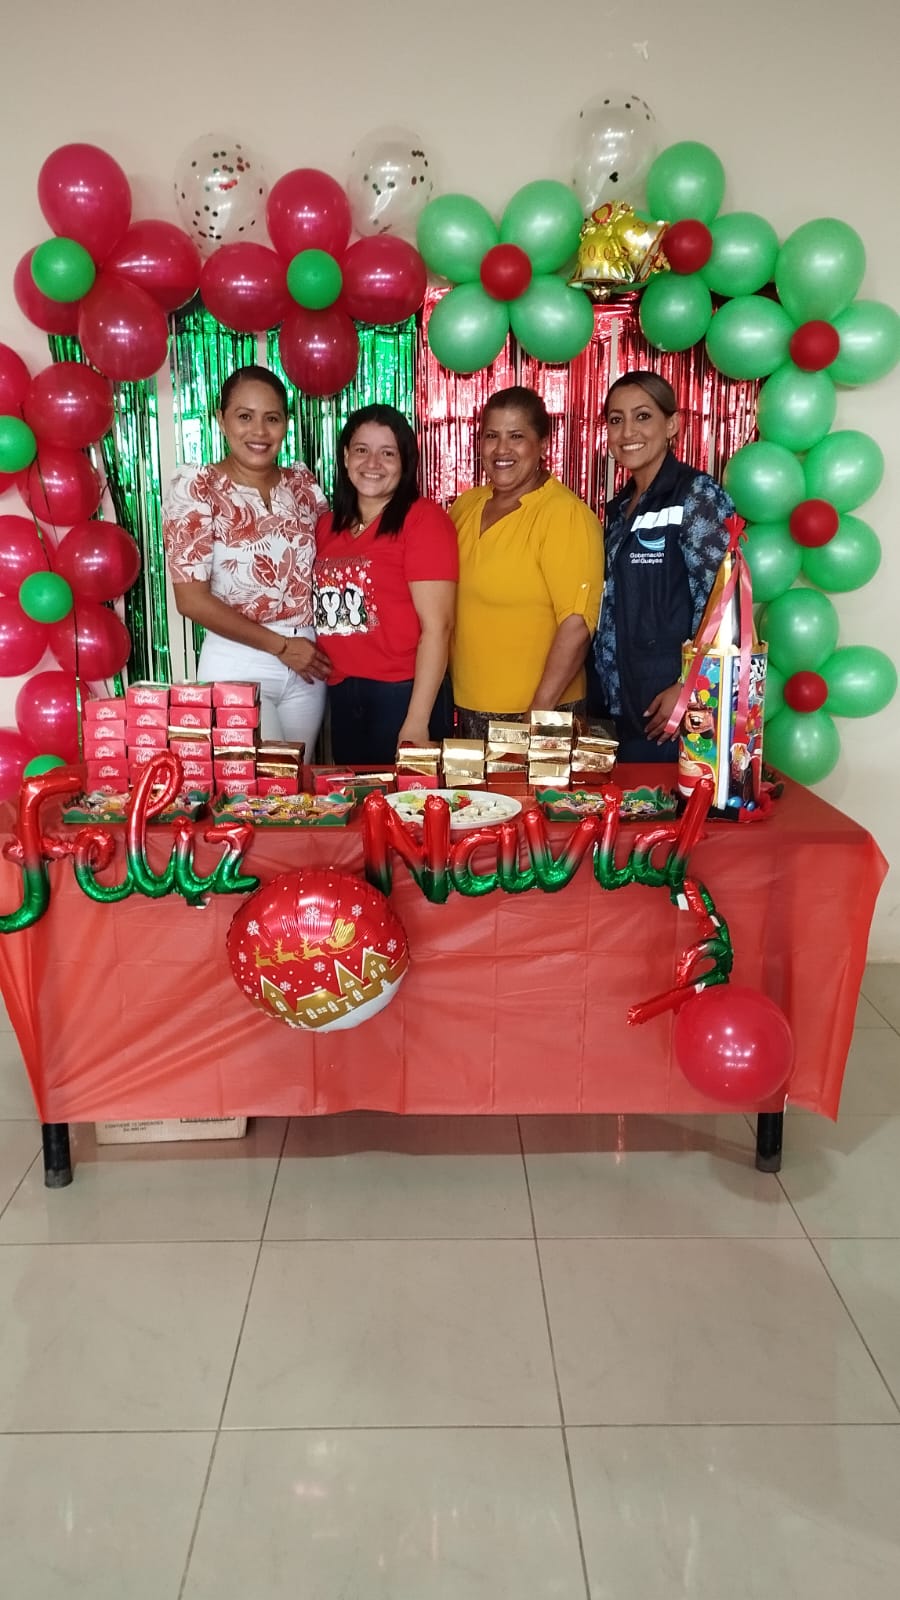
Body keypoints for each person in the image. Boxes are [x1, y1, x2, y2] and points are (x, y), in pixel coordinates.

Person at [163, 365, 330, 752]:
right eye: (244, 416)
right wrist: (282, 647)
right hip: (238, 660)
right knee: (256, 785)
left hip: (307, 660)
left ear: (285, 423)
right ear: (220, 419)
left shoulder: (302, 485)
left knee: (299, 781)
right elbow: (191, 600)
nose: (259, 431)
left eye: (272, 418)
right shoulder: (197, 488)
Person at [590, 370, 734, 763]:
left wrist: (690, 687)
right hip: (621, 703)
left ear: (672, 425)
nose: (627, 432)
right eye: (616, 420)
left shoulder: (696, 495)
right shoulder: (620, 509)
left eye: (643, 416)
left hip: (671, 709)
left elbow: (723, 600)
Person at [449, 386, 604, 738]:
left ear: (543, 444)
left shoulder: (564, 515)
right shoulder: (465, 506)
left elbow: (577, 624)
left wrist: (538, 713)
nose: (501, 449)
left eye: (516, 436)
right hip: (468, 705)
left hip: (538, 712)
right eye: (492, 436)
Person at [314, 404, 458, 765]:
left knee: (407, 799)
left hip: (403, 693)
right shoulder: (327, 526)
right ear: (345, 457)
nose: (372, 463)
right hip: (343, 693)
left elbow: (438, 627)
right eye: (361, 450)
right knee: (357, 797)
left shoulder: (423, 520)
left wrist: (417, 720)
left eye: (388, 453)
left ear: (405, 462)